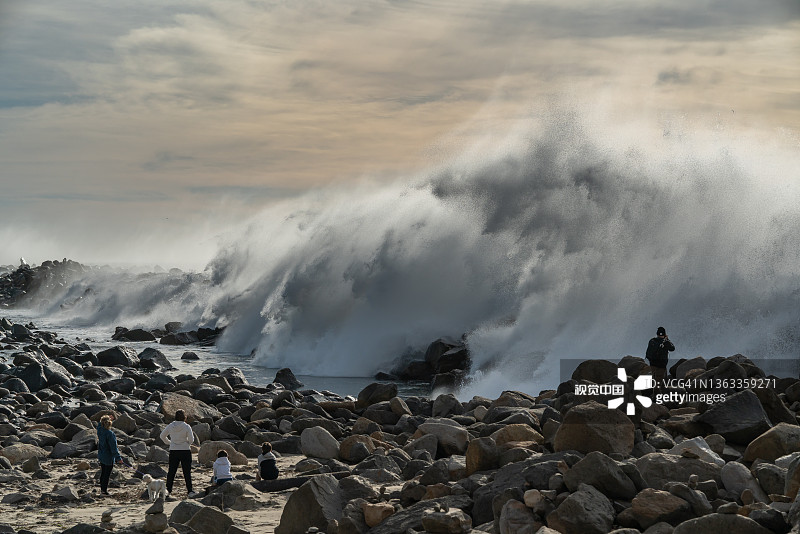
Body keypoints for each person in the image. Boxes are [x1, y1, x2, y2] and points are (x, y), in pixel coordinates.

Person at [160, 409, 200, 497]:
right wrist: (186, 443)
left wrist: (170, 442)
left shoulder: (171, 426)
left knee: (171, 471)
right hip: (185, 450)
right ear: (184, 417)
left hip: (174, 450)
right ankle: (190, 491)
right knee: (186, 472)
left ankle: (168, 490)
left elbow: (162, 436)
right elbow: (191, 440)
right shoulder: (186, 426)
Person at [96, 414, 123, 496]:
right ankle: (104, 491)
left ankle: (102, 490)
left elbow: (99, 425)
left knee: (103, 473)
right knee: (106, 474)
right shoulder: (110, 434)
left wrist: (105, 419)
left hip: (101, 455)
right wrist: (118, 458)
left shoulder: (100, 431)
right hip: (108, 457)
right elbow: (113, 448)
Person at [646, 326, 675, 395]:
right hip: (661, 365)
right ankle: (656, 398)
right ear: (664, 334)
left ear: (657, 334)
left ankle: (659, 394)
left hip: (653, 364)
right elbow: (672, 348)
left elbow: (648, 352)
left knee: (655, 379)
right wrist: (667, 339)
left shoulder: (652, 341)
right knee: (658, 382)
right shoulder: (666, 342)